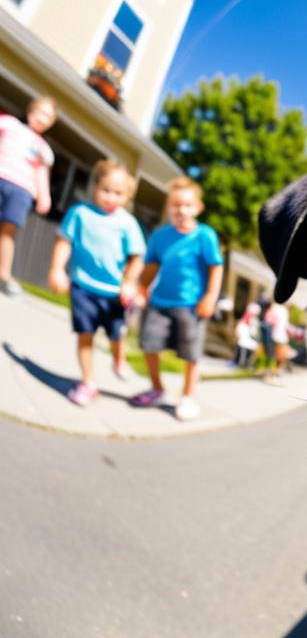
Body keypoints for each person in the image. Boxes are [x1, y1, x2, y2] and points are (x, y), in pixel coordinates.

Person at [47, 161, 146, 405]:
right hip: (83, 287)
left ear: (127, 196)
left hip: (114, 294)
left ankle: (118, 359)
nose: (111, 197)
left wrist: (129, 283)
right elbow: (64, 242)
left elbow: (136, 258)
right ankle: (87, 383)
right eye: (106, 190)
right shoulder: (79, 213)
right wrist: (57, 269)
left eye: (118, 193)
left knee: (115, 335)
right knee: (85, 335)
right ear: (95, 186)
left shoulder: (127, 223)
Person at [129, 177, 224, 421]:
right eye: (175, 205)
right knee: (149, 345)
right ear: (168, 207)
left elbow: (215, 267)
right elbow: (151, 266)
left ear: (198, 208)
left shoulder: (205, 235)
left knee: (191, 354)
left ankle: (188, 396)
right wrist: (140, 289)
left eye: (187, 205)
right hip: (159, 302)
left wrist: (210, 297)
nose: (181, 210)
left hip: (191, 306)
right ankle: (156, 388)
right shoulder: (160, 236)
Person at [0, 96, 57, 296]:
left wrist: (44, 196)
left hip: (22, 190)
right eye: (40, 112)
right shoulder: (9, 125)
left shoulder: (44, 149)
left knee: (8, 232)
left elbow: (41, 173)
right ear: (31, 111)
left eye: (48, 116)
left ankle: (4, 275)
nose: (42, 118)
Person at [262, 298, 291, 385]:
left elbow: (286, 325)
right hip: (275, 335)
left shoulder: (284, 310)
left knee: (281, 357)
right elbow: (268, 320)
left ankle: (273, 376)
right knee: (275, 357)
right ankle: (272, 376)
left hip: (282, 336)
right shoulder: (276, 307)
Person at [233, 301, 260, 369]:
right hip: (244, 339)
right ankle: (239, 362)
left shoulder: (254, 320)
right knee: (241, 347)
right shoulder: (245, 320)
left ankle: (243, 363)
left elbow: (254, 332)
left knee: (245, 349)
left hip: (249, 340)